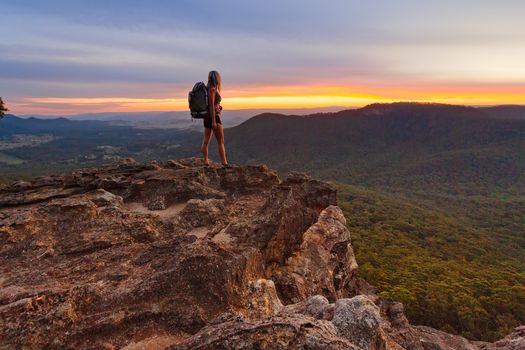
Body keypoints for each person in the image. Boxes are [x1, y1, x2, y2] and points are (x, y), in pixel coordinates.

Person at [201, 70, 228, 166]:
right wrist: (213, 121)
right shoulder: (212, 89)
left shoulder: (207, 88)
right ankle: (224, 163)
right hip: (214, 118)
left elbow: (212, 105)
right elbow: (211, 106)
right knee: (221, 141)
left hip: (207, 117)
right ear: (217, 78)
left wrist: (219, 107)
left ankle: (205, 161)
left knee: (206, 141)